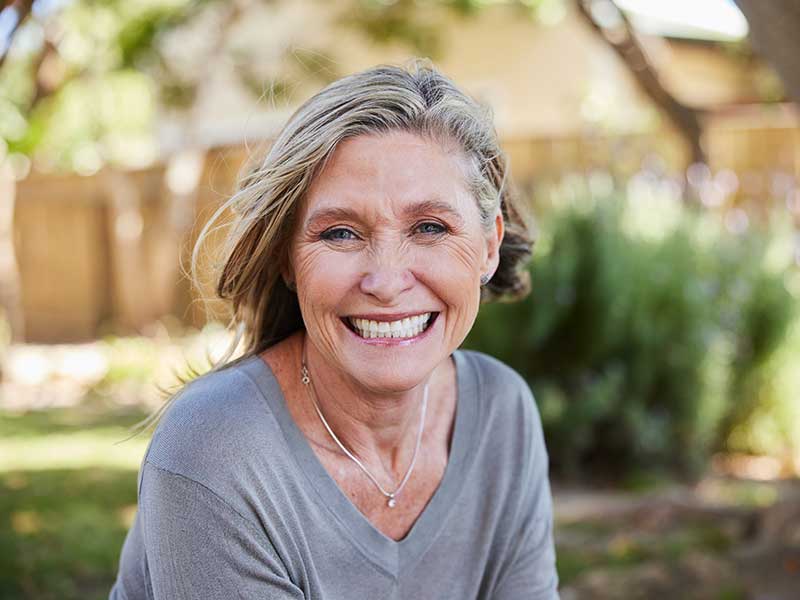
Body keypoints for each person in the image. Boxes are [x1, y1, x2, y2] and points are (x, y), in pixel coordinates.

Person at [109, 59, 559, 599]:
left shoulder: (502, 415)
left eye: (430, 227)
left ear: (489, 246)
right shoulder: (215, 448)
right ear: (286, 258)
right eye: (341, 233)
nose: (387, 281)